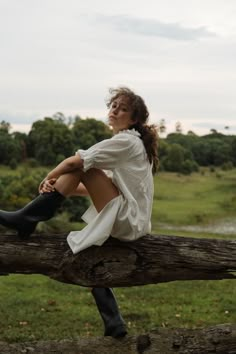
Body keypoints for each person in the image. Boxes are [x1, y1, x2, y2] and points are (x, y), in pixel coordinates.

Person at [0, 87, 158, 338]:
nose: (115, 110)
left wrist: (50, 176)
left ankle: (27, 218)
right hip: (132, 220)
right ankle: (114, 322)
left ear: (135, 119)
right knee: (91, 248)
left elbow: (77, 163)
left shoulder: (126, 141)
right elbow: (96, 187)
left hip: (128, 219)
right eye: (113, 106)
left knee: (81, 163)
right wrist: (65, 187)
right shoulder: (132, 143)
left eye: (123, 108)